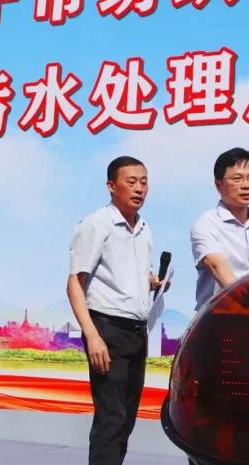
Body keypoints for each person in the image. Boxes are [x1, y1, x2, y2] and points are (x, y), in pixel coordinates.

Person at [66, 156, 166, 465]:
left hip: (137, 331)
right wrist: (92, 336)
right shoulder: (97, 224)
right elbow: (74, 284)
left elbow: (125, 274)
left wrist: (152, 282)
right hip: (107, 330)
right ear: (111, 186)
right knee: (111, 417)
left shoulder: (144, 228)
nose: (139, 189)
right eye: (131, 182)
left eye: (144, 182)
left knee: (126, 419)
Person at [191, 147, 249, 310]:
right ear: (218, 184)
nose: (246, 185)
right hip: (219, 316)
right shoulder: (206, 223)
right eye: (237, 179)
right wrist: (248, 302)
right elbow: (216, 266)